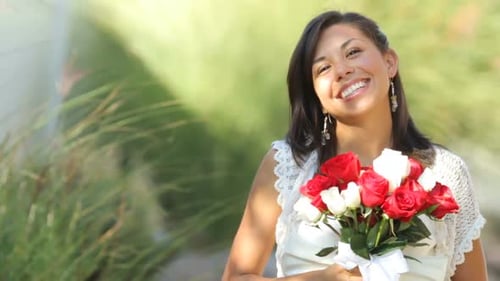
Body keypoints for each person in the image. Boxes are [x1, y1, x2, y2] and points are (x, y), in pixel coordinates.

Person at [221, 10, 488, 281]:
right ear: (316, 96)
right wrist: (324, 279)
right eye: (323, 68)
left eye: (353, 52)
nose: (343, 70)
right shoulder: (288, 165)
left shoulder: (446, 174)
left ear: (389, 63)